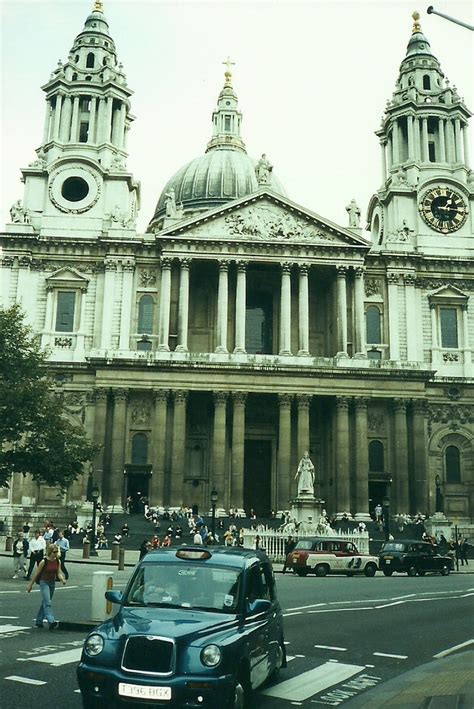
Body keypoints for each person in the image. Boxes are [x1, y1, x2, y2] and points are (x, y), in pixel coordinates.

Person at [27, 543, 66, 630]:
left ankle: (39, 621)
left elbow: (58, 572)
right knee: (47, 602)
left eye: (56, 552)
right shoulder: (44, 561)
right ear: (50, 552)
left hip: (52, 583)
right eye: (54, 552)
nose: (56, 554)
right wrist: (30, 585)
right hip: (44, 582)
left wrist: (62, 579)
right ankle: (51, 621)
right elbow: (36, 574)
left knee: (45, 601)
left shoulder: (57, 561)